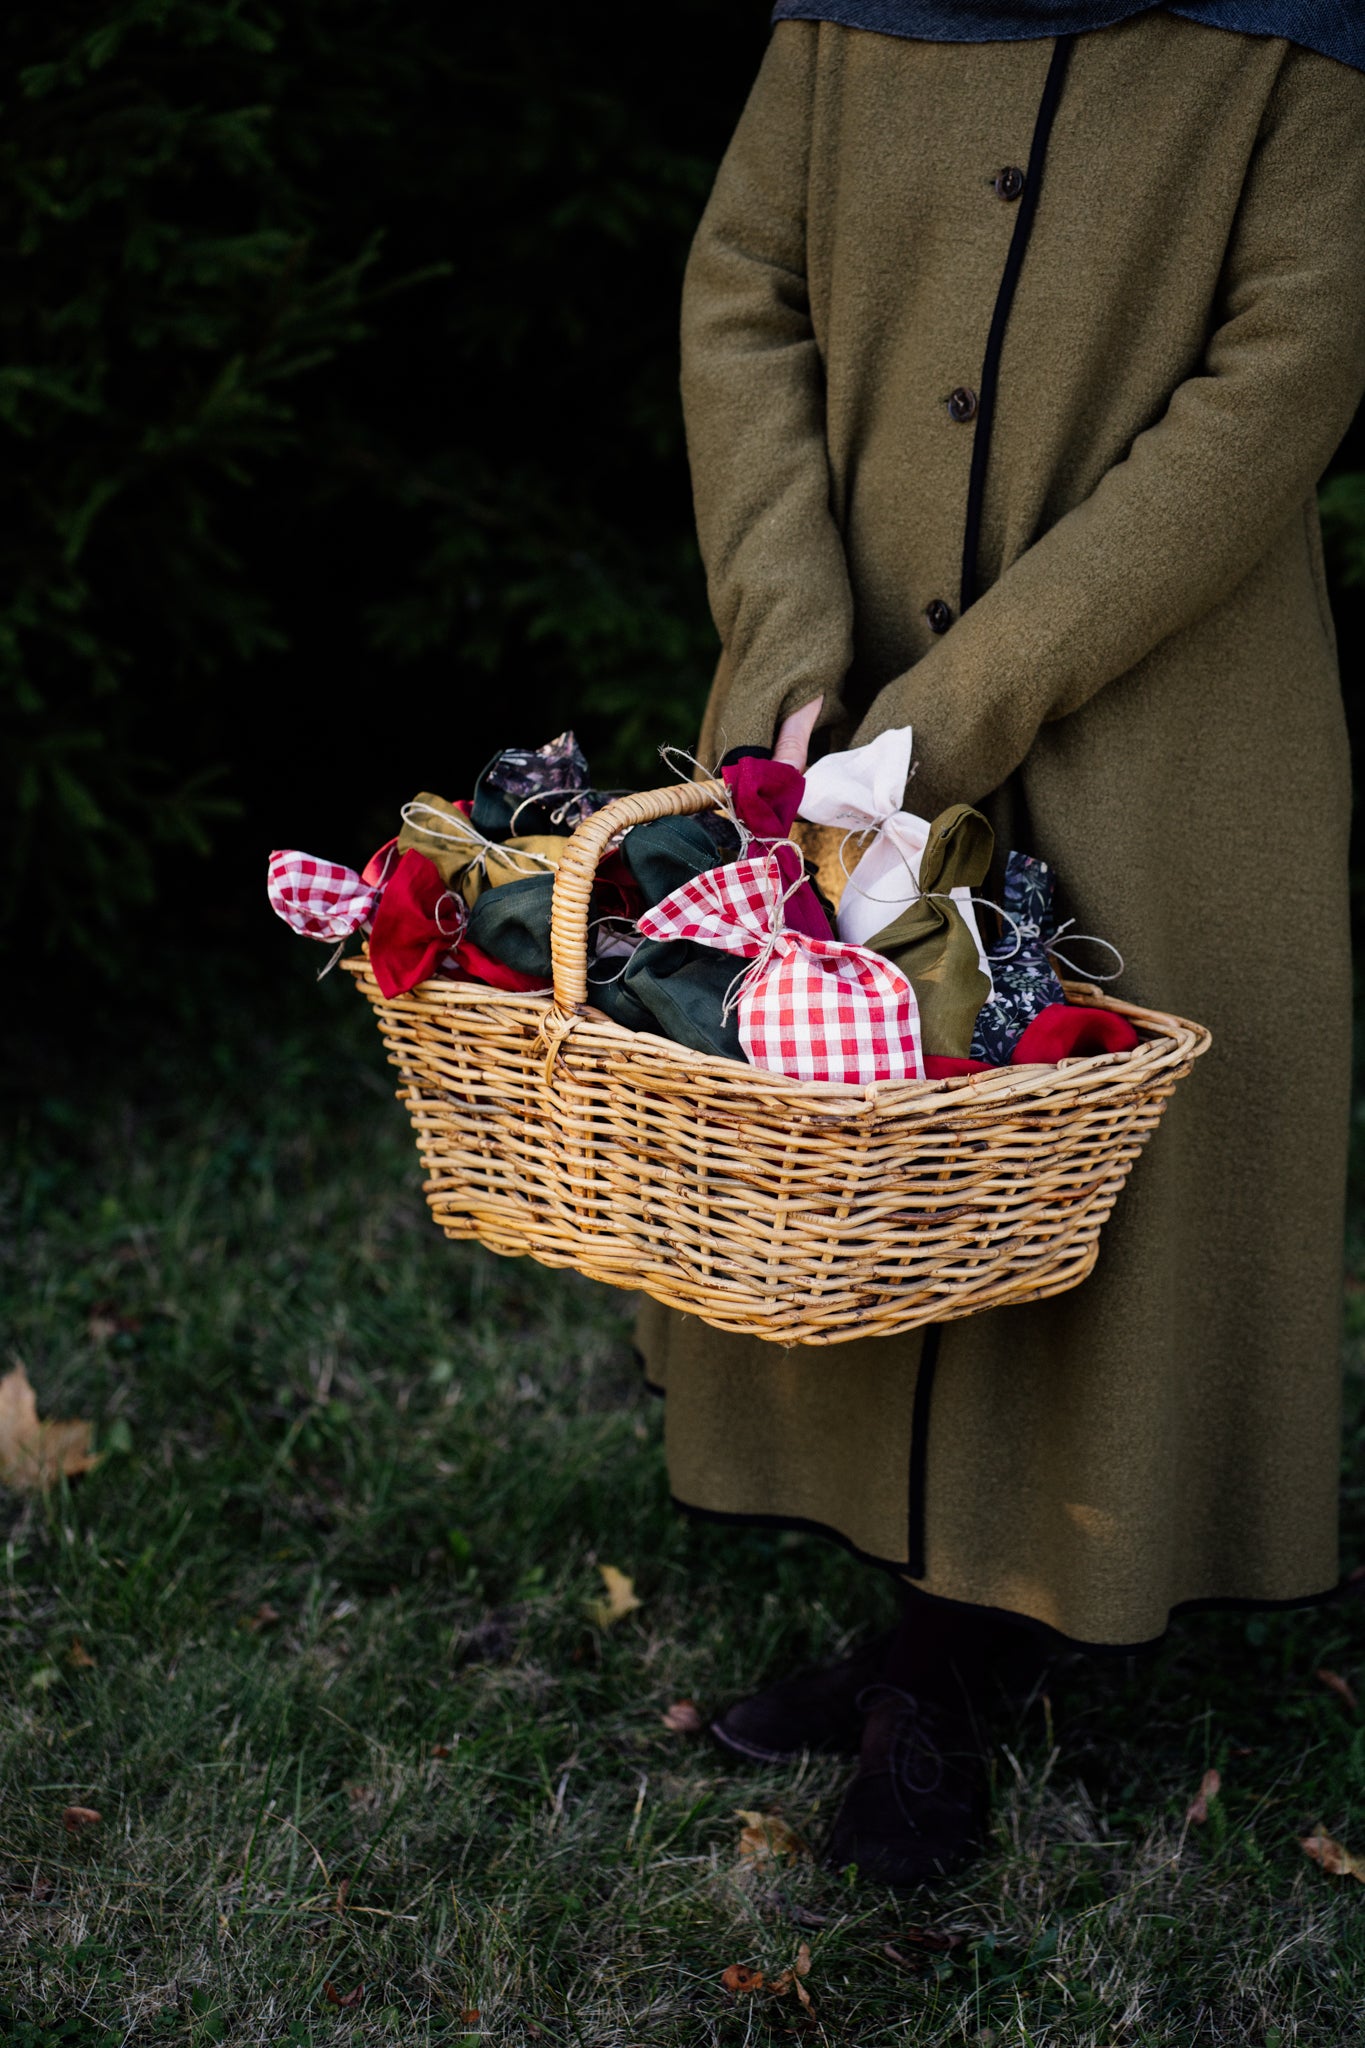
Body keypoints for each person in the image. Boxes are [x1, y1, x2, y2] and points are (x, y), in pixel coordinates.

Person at [635, 0, 1365, 1887]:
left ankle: (970, 1655)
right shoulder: (838, 15)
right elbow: (741, 288)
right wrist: (791, 639)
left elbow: (1283, 374)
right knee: (858, 1138)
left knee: (1087, 1174)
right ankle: (915, 1628)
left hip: (1162, 734)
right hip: (836, 713)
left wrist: (954, 712)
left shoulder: (1296, 40)